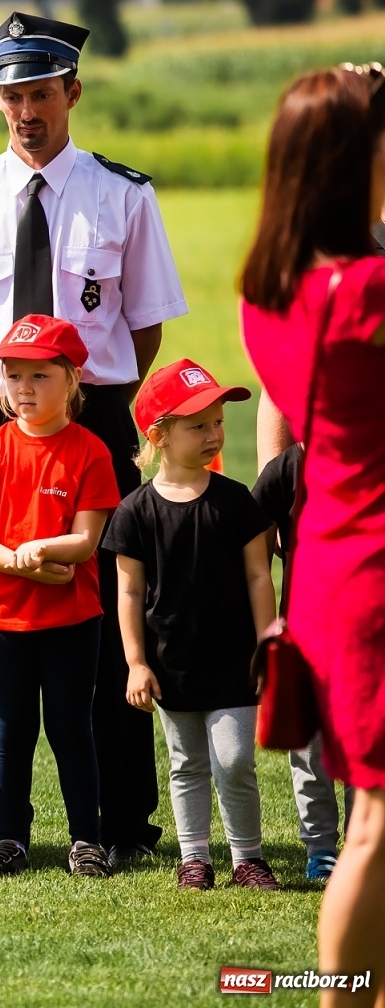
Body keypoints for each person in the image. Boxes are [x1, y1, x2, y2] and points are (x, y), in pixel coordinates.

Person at [0, 12, 188, 867]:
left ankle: (117, 821)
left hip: (93, 421)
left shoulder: (123, 194)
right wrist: (12, 402)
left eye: (39, 93)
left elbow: (142, 332)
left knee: (107, 618)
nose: (25, 110)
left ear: (73, 91)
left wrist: (82, 405)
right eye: (10, 95)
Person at [240, 63, 385, 1004]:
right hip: (376, 564)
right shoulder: (366, 295)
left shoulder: (275, 291)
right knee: (373, 823)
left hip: (332, 558)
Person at [0, 315, 121, 877]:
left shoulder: (90, 451)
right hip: (2, 617)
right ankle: (9, 838)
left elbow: (86, 539)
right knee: (10, 726)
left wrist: (41, 550)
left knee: (72, 725)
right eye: (12, 374)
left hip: (73, 618)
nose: (23, 388)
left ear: (72, 379)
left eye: (39, 376)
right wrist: (21, 563)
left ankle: (86, 840)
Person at [104, 360, 280, 891]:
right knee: (186, 763)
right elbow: (129, 592)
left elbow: (258, 578)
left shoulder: (236, 502)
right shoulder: (134, 512)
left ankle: (247, 858)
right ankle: (194, 859)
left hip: (236, 661)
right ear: (158, 435)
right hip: (170, 664)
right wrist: (136, 662)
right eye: (197, 425)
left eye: (218, 422)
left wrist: (269, 646)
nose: (214, 434)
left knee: (234, 760)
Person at [251, 440, 352, 881]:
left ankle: (366, 844)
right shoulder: (291, 464)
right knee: (310, 753)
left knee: (362, 747)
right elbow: (246, 523)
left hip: (367, 637)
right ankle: (321, 849)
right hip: (307, 637)